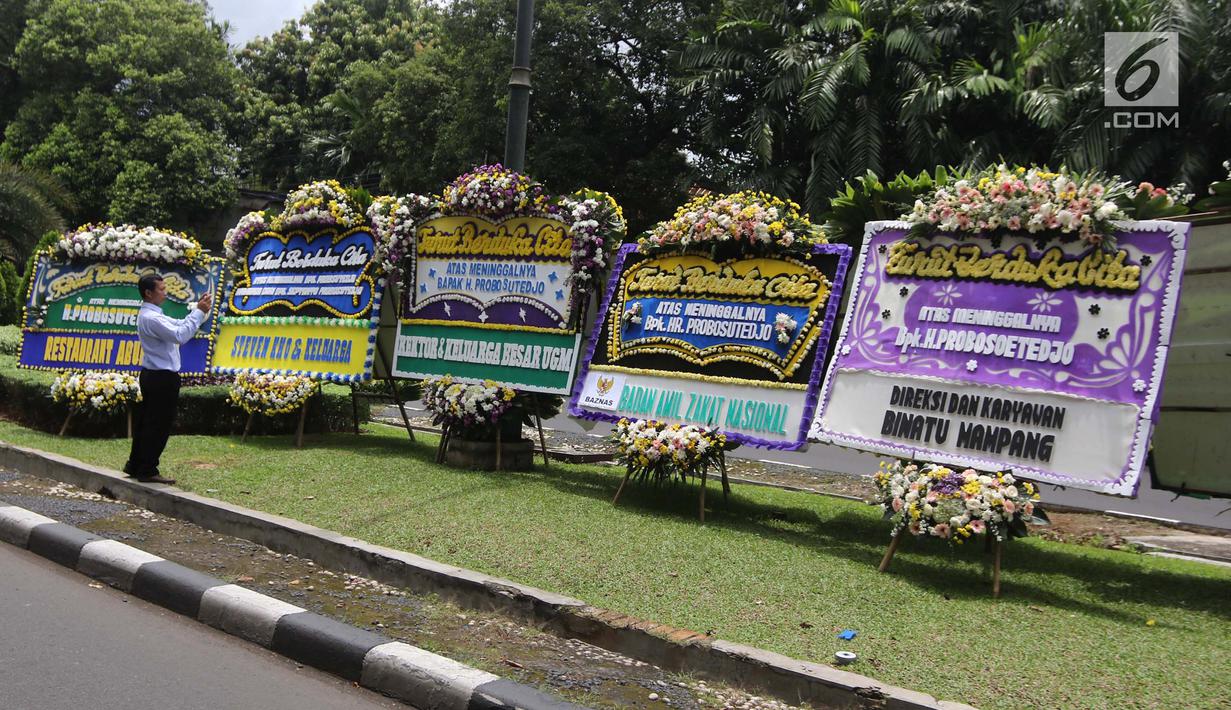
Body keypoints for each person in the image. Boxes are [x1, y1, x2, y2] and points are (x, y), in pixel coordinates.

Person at [123, 273, 212, 484]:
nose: (165, 292)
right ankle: (147, 469)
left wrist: (198, 312)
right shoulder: (151, 318)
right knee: (158, 425)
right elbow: (180, 335)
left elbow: (180, 325)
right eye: (161, 289)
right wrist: (199, 312)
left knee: (147, 423)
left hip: (154, 375)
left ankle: (136, 465)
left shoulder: (153, 315)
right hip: (161, 377)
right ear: (148, 293)